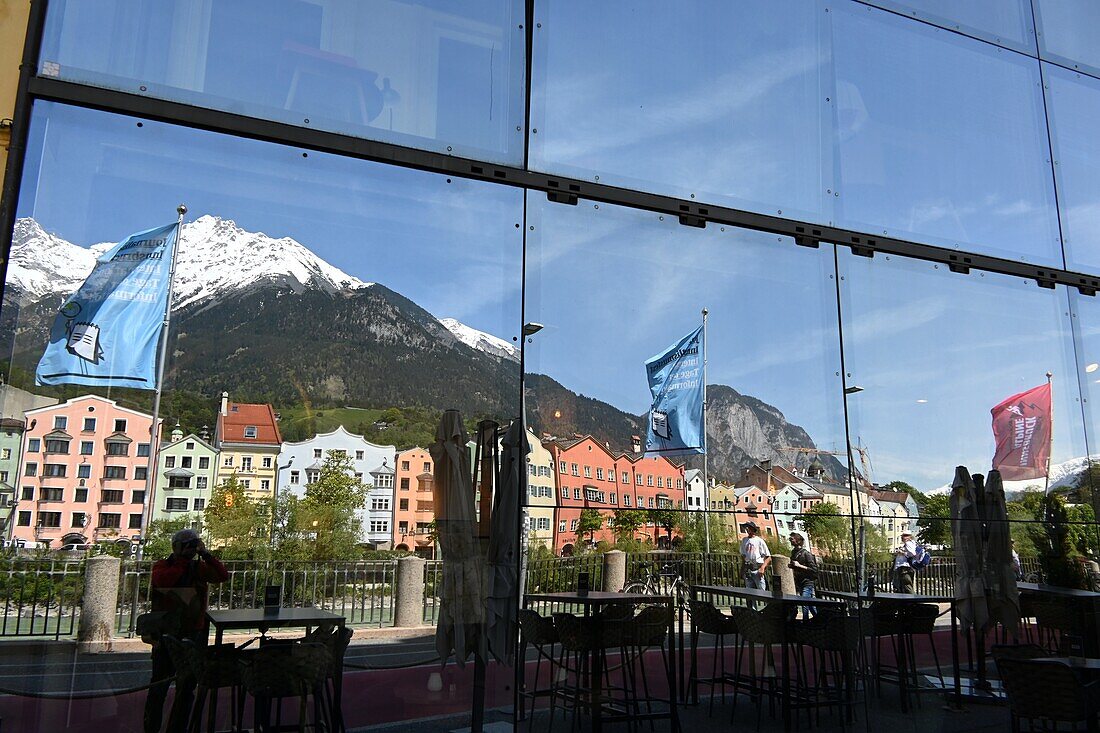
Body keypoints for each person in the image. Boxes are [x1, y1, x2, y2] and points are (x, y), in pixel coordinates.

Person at [144, 529, 228, 733]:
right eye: (187, 544)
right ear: (175, 547)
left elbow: (222, 576)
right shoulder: (163, 566)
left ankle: (177, 728)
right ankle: (151, 727)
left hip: (192, 630)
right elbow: (164, 581)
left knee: (187, 686)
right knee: (159, 684)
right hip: (167, 632)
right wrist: (184, 561)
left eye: (193, 544)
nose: (191, 549)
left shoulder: (198, 567)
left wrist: (206, 554)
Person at [788, 531, 818, 619]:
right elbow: (796, 567)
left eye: (792, 539)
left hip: (807, 582)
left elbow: (814, 570)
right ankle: (818, 618)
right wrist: (792, 566)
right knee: (810, 603)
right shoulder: (793, 553)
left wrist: (799, 565)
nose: (791, 540)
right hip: (799, 581)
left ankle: (805, 621)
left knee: (804, 602)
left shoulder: (806, 554)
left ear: (798, 541)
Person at [739, 520, 772, 591]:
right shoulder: (744, 540)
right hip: (748, 569)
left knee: (761, 591)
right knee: (749, 591)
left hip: (757, 569)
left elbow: (768, 557)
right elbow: (743, 556)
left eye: (748, 527)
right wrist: (742, 569)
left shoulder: (759, 541)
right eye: (746, 527)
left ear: (752, 529)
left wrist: (762, 568)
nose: (747, 529)